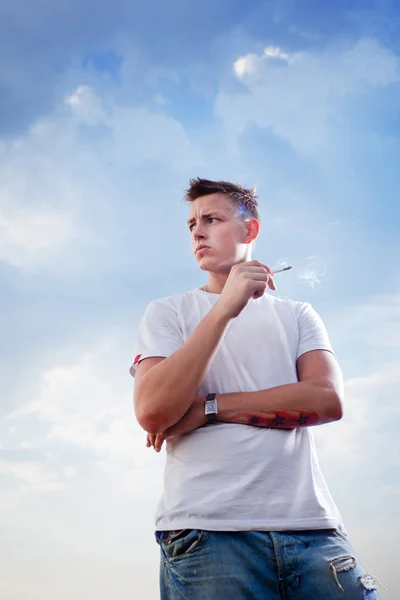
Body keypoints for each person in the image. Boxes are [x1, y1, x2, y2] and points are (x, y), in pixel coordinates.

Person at [130, 179, 383, 599]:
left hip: (314, 531)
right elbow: (154, 412)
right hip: (209, 534)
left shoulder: (298, 314)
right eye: (192, 223)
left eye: (212, 219)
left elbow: (326, 400)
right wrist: (225, 308)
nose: (197, 231)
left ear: (250, 231)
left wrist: (209, 408)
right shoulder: (167, 312)